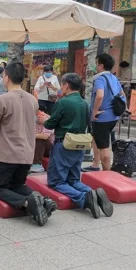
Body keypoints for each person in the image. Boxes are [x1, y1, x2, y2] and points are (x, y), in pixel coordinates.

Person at [0, 61, 55, 227]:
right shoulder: (32, 100)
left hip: (6, 154)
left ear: (7, 78)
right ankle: (44, 201)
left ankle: (27, 203)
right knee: (17, 184)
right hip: (26, 154)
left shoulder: (1, 100)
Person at [39, 73, 114, 219]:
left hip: (64, 144)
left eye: (62, 84)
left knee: (56, 182)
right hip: (79, 145)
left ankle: (84, 198)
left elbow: (51, 124)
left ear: (66, 85)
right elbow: (89, 124)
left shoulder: (62, 102)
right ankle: (93, 192)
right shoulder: (85, 103)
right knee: (74, 179)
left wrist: (43, 121)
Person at [83, 54, 127, 172]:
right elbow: (122, 94)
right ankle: (95, 164)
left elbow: (100, 95)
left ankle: (107, 173)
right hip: (113, 116)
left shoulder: (100, 78)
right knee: (97, 139)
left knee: (104, 147)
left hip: (102, 117)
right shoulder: (113, 78)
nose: (95, 66)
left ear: (101, 65)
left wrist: (95, 111)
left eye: (96, 63)